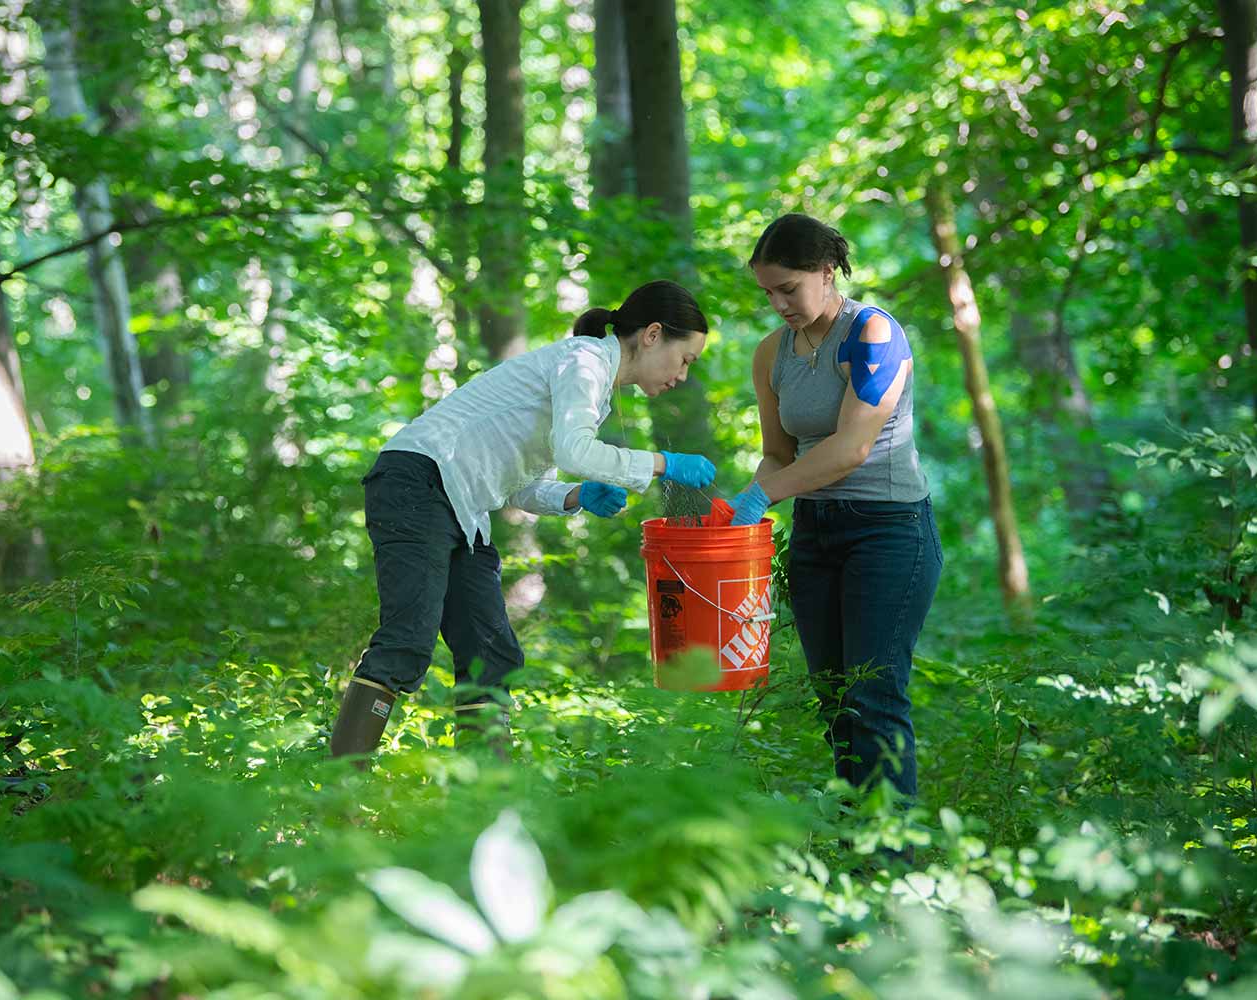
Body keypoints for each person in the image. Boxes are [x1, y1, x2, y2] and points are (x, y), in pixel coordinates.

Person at [330, 280, 719, 764]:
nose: (683, 375)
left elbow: (523, 485)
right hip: (419, 481)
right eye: (686, 359)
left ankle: (484, 801)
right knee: (407, 641)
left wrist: (577, 494)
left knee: (491, 655)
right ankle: (337, 793)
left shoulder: (591, 386)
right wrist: (661, 463)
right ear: (653, 335)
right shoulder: (584, 361)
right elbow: (574, 450)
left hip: (459, 505)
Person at [729, 213, 942, 804]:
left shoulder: (872, 333)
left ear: (826, 272)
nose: (777, 304)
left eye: (788, 288)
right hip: (815, 536)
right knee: (834, 699)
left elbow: (852, 449)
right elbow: (777, 454)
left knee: (873, 697)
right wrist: (742, 515)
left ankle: (892, 862)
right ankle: (855, 848)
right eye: (767, 292)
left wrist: (764, 495)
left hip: (888, 533)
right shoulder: (771, 353)